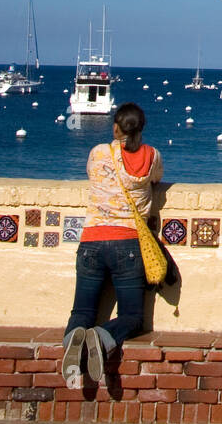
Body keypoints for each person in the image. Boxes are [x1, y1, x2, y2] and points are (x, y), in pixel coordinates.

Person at [61, 103, 163, 386]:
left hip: (91, 241)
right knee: (131, 317)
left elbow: (91, 175)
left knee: (81, 312)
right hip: (128, 243)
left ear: (115, 127)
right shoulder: (152, 156)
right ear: (141, 129)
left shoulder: (98, 153)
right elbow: (156, 180)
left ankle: (73, 342)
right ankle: (102, 337)